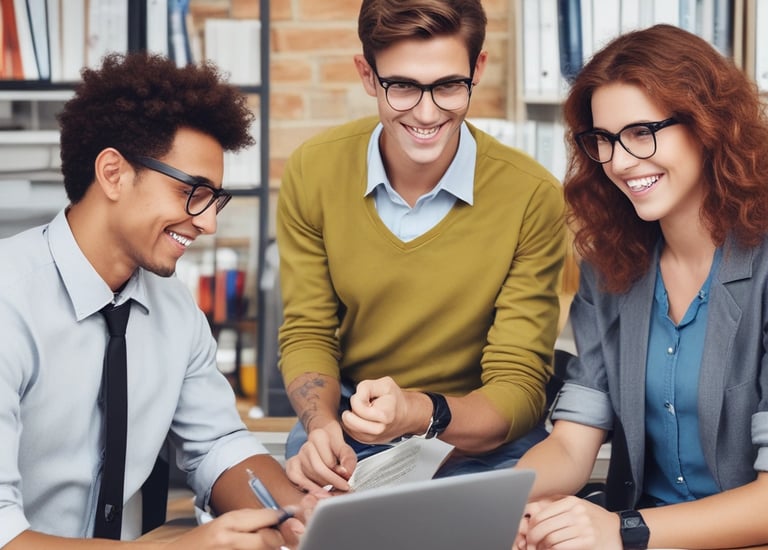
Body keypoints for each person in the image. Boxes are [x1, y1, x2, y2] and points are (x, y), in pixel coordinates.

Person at [0, 52, 310, 549]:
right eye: (193, 192)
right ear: (113, 173)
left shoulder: (175, 310)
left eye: (215, 200)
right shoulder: (8, 302)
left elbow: (217, 446)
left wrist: (296, 510)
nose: (208, 222)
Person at [276, 0, 566, 494]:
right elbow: (308, 328)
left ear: (477, 69)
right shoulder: (313, 171)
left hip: (483, 439)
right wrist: (320, 425)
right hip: (353, 431)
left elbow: (518, 384)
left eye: (449, 85)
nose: (427, 114)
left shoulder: (531, 195)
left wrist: (415, 412)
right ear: (368, 76)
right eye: (403, 86)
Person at [515, 24, 768, 549]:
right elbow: (571, 444)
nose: (621, 161)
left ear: (707, 125)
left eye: (641, 131)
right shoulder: (610, 270)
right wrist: (512, 502)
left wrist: (626, 531)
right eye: (603, 140)